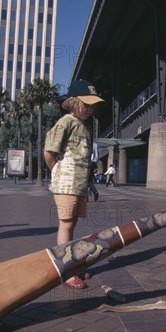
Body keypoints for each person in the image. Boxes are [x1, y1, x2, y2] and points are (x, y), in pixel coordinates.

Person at [44, 79, 105, 289]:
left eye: (92, 105)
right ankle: (65, 269)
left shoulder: (85, 127)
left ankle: (71, 263)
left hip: (79, 184)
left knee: (73, 224)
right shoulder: (66, 121)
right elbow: (49, 152)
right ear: (72, 101)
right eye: (85, 104)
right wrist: (57, 172)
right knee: (66, 224)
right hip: (66, 182)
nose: (89, 109)